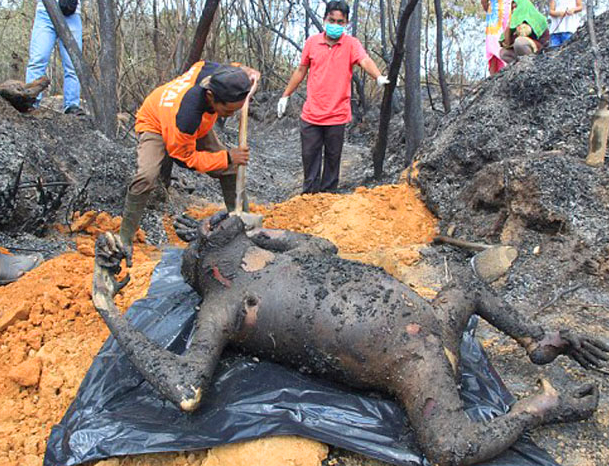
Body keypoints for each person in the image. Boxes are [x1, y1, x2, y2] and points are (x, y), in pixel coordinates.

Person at [118, 61, 260, 250]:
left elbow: (233, 69)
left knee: (231, 168)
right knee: (147, 177)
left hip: (195, 123)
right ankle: (124, 239)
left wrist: (248, 73)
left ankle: (242, 225)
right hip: (157, 122)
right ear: (211, 96)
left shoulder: (215, 75)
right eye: (228, 111)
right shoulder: (186, 118)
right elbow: (186, 158)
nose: (232, 115)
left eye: (236, 110)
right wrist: (227, 157)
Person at [276, 1, 389, 194]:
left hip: (337, 114)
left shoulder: (351, 44)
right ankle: (309, 199)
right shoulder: (312, 42)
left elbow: (364, 60)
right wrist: (285, 95)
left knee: (332, 159)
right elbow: (301, 69)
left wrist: (378, 76)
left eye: (340, 22)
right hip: (311, 114)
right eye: (332, 20)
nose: (335, 25)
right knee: (310, 158)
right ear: (324, 19)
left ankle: (327, 199)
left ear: (346, 23)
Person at [25, 0, 84, 115]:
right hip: (45, 11)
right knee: (37, 60)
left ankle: (72, 105)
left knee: (73, 64)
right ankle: (31, 102)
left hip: (72, 13)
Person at [500, 0, 550, 64]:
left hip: (538, 51)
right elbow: (508, 43)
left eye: (516, 7)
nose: (515, 10)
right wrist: (510, 26)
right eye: (513, 8)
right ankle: (518, 67)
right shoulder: (514, 22)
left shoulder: (536, 18)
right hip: (520, 51)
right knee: (503, 53)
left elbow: (544, 41)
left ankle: (531, 65)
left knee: (519, 42)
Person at [481, 0, 512, 75]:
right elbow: (484, 2)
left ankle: (507, 74)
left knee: (508, 44)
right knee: (493, 47)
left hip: (509, 14)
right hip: (495, 14)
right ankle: (492, 79)